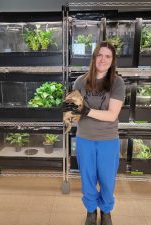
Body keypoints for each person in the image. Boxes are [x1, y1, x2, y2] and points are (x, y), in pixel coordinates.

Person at [63, 41, 125, 225]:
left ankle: (106, 212)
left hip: (108, 140)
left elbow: (112, 115)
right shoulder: (80, 82)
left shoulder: (117, 83)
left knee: (107, 180)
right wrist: (68, 110)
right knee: (87, 178)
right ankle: (91, 211)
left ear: (112, 60)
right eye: (100, 55)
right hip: (85, 139)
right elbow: (72, 112)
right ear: (94, 57)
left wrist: (86, 111)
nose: (103, 59)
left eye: (108, 56)